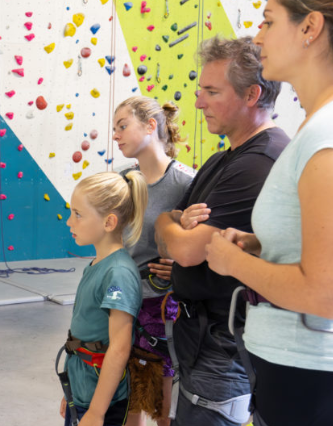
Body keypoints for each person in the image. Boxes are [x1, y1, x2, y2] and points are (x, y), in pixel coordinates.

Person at [204, 1, 333, 424]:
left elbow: (329, 294)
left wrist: (233, 262)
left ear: (310, 27)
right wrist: (261, 244)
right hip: (304, 374)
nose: (258, 37)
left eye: (269, 22)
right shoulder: (332, 121)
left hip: (315, 378)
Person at [153, 35, 288, 426]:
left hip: (223, 346)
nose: (199, 103)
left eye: (212, 92)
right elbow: (166, 226)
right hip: (201, 338)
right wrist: (171, 225)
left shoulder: (258, 163)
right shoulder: (223, 158)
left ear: (252, 94)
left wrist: (172, 228)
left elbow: (185, 250)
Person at [113, 97, 195, 426]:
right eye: (114, 128)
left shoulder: (186, 183)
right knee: (128, 397)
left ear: (150, 126)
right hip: (121, 300)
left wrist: (182, 268)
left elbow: (202, 245)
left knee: (162, 408)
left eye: (122, 126)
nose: (116, 135)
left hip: (161, 307)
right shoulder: (121, 181)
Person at [57, 171, 148, 426]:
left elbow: (119, 349)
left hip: (102, 404)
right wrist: (70, 392)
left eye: (78, 214)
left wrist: (97, 412)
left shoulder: (117, 273)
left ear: (109, 222)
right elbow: (82, 336)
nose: (69, 222)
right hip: (82, 392)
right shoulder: (99, 264)